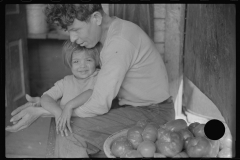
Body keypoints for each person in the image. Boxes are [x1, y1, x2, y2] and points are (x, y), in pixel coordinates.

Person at [6, 4, 175, 158]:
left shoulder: (119, 42)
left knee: (68, 130)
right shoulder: (111, 34)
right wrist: (49, 104)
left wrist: (45, 111)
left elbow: (99, 103)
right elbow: (95, 89)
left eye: (76, 30)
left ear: (96, 18)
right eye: (69, 31)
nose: (72, 38)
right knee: (62, 124)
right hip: (133, 107)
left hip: (154, 113)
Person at [41, 40, 100, 136]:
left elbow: (91, 93)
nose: (83, 65)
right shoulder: (66, 82)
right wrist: (58, 112)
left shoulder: (99, 76)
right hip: (66, 125)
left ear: (96, 61)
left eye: (88, 60)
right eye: (76, 61)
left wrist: (69, 106)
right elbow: (46, 97)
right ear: (69, 64)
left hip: (93, 126)